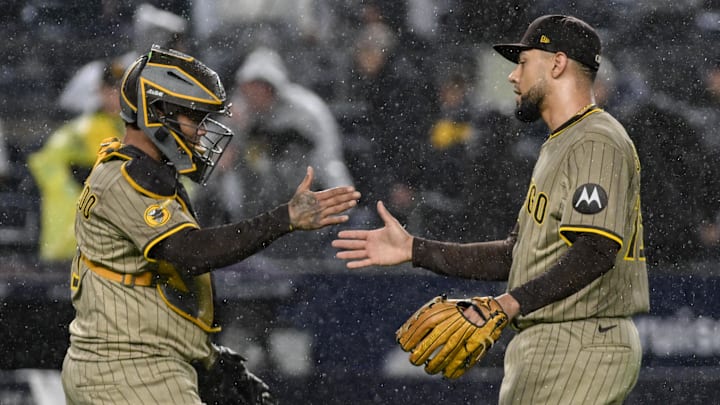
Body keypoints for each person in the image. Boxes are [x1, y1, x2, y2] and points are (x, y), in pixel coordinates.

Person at [333, 15, 649, 405]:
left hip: (581, 340)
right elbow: (514, 256)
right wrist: (416, 249)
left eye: (523, 62)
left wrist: (507, 303)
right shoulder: (560, 144)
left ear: (557, 63)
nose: (513, 78)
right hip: (555, 341)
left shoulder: (595, 141)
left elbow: (596, 251)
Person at [61, 45, 360, 405]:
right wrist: (285, 219)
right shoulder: (127, 178)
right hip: (130, 372)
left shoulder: (149, 174)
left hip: (136, 365)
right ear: (157, 113)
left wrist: (208, 360)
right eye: (193, 119)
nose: (203, 133)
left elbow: (158, 292)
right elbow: (190, 253)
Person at [28, 58, 126, 262]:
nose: (114, 95)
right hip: (69, 248)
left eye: (120, 90)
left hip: (113, 250)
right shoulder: (79, 131)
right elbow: (45, 163)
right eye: (110, 89)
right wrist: (78, 185)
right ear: (100, 90)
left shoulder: (135, 131)